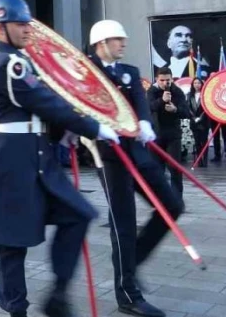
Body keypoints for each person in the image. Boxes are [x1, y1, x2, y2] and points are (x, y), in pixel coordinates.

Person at [0, 0, 117, 317]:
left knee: (77, 213)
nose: (27, 31)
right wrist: (94, 127)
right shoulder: (8, 63)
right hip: (10, 162)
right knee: (10, 243)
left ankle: (57, 296)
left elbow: (47, 101)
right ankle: (17, 308)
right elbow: (46, 103)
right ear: (0, 26)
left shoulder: (15, 60)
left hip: (33, 156)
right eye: (20, 25)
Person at [89, 19, 180, 317]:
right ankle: (128, 293)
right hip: (109, 154)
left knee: (172, 205)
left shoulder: (129, 71)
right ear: (101, 43)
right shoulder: (86, 71)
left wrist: (143, 120)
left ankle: (133, 258)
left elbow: (139, 99)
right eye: (118, 39)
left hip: (137, 152)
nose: (124, 43)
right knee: (123, 223)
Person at [146, 67, 189, 196]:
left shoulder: (177, 92)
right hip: (156, 135)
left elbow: (186, 113)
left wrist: (175, 109)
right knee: (157, 169)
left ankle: (177, 197)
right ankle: (160, 198)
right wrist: (162, 101)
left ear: (172, 79)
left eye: (168, 80)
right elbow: (149, 108)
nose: (165, 83)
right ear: (156, 79)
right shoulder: (151, 91)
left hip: (173, 135)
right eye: (162, 80)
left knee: (175, 167)